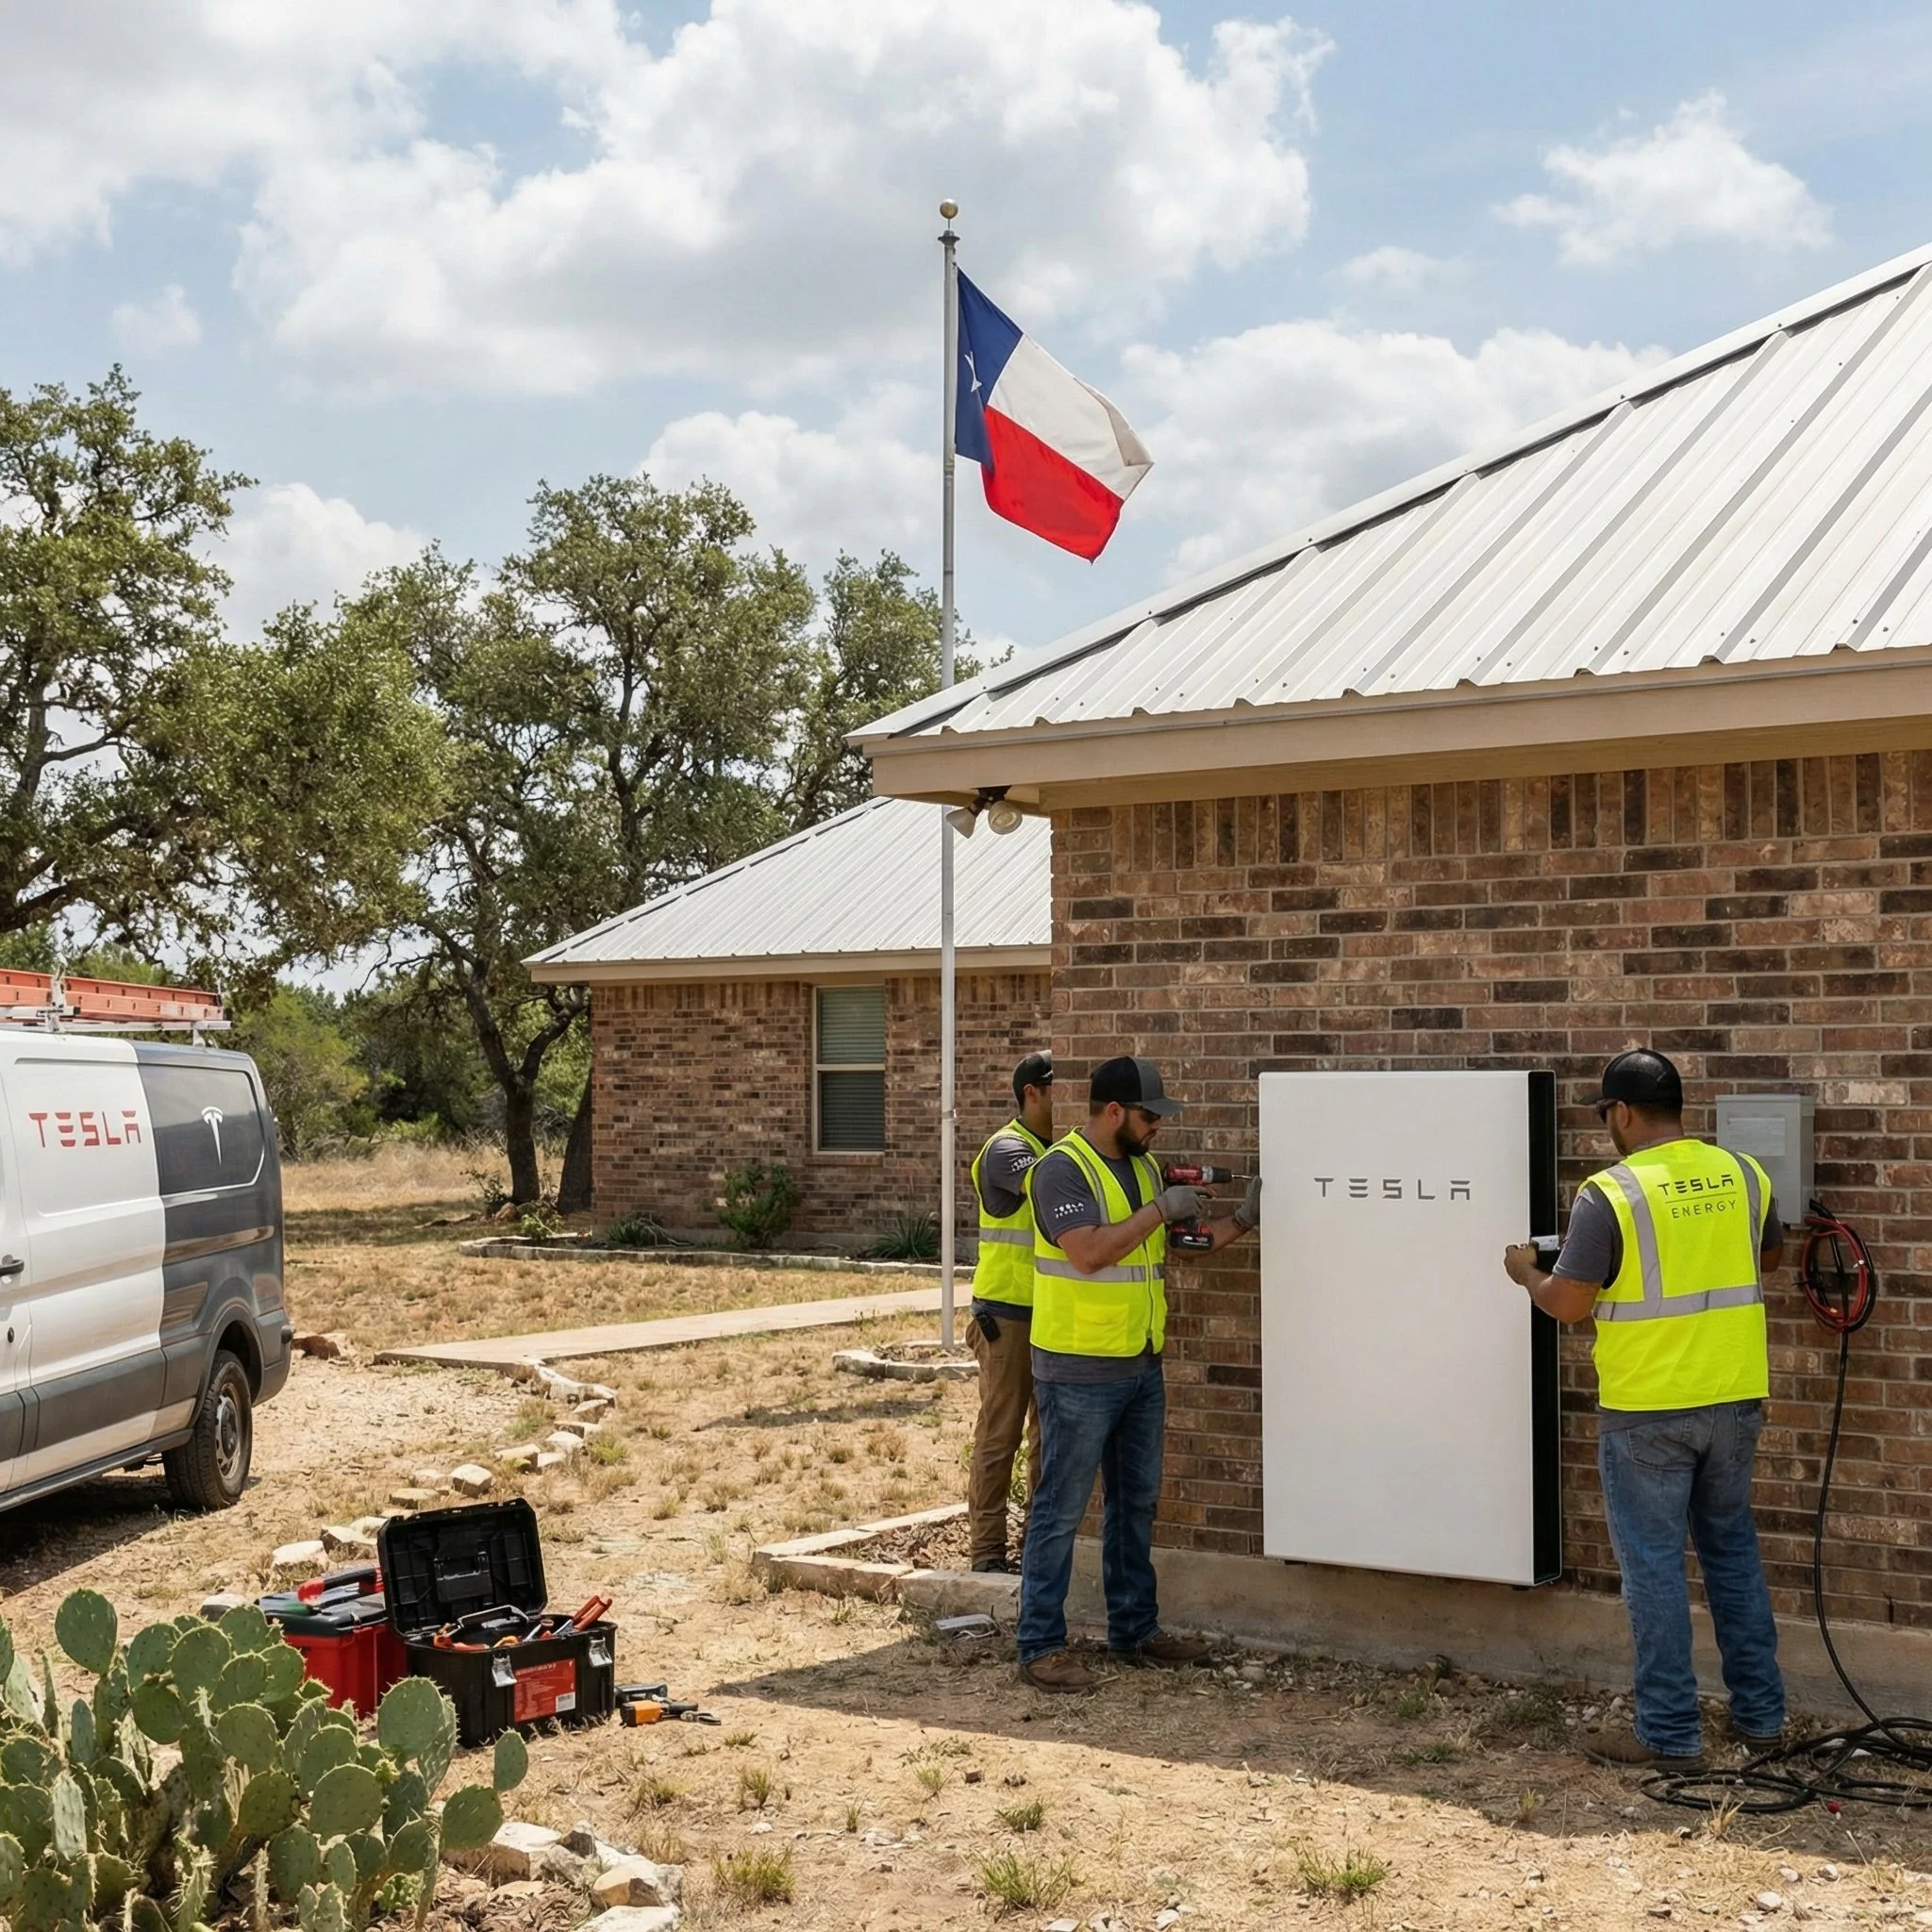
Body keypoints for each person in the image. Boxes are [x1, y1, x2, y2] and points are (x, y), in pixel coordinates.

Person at [1503, 1048, 1786, 1772]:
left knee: (1655, 1570)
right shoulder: (1744, 1172)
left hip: (1649, 1410)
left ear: (1623, 1112)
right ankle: (1762, 1721)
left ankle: (1669, 1734)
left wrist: (1526, 1272)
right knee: (1732, 1553)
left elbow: (1570, 1305)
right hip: (1734, 1398)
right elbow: (1771, 1257)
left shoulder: (1611, 1194)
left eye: (1607, 1117)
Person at [1015, 1055, 1261, 1691]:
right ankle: (1040, 1644)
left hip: (1139, 1363)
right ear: (1115, 1111)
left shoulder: (1145, 1167)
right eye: (1151, 1116)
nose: (1158, 1128)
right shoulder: (1060, 1170)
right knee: (1060, 1509)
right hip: (1075, 1369)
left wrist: (1242, 1220)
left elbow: (1181, 1247)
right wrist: (1159, 1209)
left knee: (1135, 1507)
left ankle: (1135, 1632)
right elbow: (1091, 1252)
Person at [965, 1051, 1056, 1574]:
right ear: (1032, 1094)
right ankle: (987, 1554)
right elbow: (1048, 1186)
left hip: (1049, 1313)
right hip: (1007, 1314)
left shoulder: (1053, 1147)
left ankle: (1036, 1553)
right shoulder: (1008, 1149)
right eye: (1057, 1090)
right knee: (1001, 1435)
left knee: (1046, 1438)